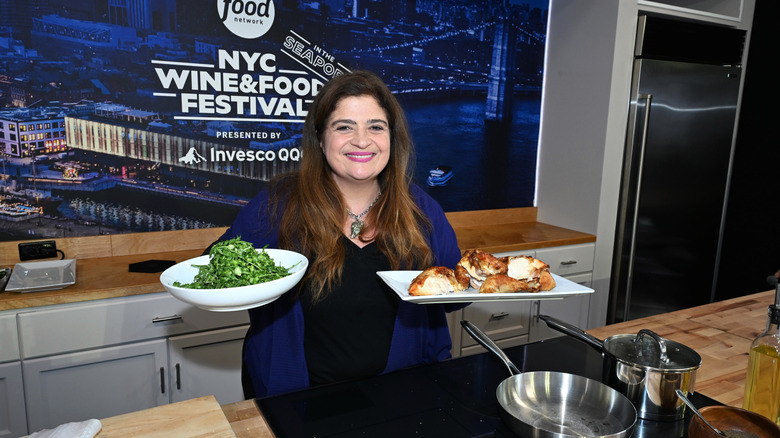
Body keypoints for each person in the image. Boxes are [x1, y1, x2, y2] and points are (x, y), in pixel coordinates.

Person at [214, 70, 464, 398]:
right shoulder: (278, 205)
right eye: (344, 127)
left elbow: (457, 295)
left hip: (403, 398)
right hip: (296, 403)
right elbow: (217, 267)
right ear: (320, 138)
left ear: (392, 137)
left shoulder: (422, 210)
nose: (362, 140)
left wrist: (481, 282)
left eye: (376, 126)